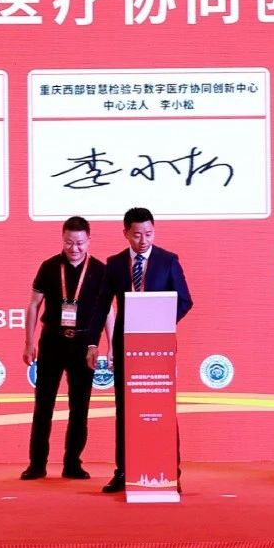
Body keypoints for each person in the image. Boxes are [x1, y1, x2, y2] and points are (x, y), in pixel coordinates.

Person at [85, 207, 193, 493]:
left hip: (159, 347)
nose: (143, 240)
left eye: (148, 234)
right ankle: (123, 471)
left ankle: (171, 471)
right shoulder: (115, 264)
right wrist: (93, 343)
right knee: (125, 409)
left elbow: (185, 301)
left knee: (163, 409)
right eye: (136, 235)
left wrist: (159, 321)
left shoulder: (168, 261)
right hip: (126, 347)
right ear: (125, 234)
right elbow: (100, 306)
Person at [20, 216, 108, 481]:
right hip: (52, 341)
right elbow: (34, 305)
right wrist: (29, 342)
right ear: (62, 239)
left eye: (80, 243)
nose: (74, 248)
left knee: (79, 407)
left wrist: (111, 346)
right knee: (43, 405)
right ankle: (37, 464)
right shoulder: (49, 267)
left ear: (89, 240)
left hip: (84, 344)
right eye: (69, 242)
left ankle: (73, 463)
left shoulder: (99, 270)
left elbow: (107, 311)